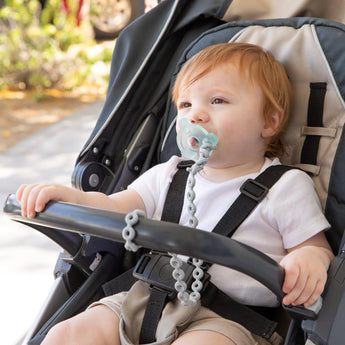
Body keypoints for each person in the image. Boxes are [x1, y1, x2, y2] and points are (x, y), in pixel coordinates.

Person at [17, 42, 334, 345]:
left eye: (217, 101)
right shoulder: (167, 174)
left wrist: (308, 261)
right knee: (68, 334)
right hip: (141, 297)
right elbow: (113, 207)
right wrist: (69, 198)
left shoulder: (285, 185)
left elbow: (316, 248)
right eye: (185, 104)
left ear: (270, 121)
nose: (195, 114)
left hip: (228, 320)